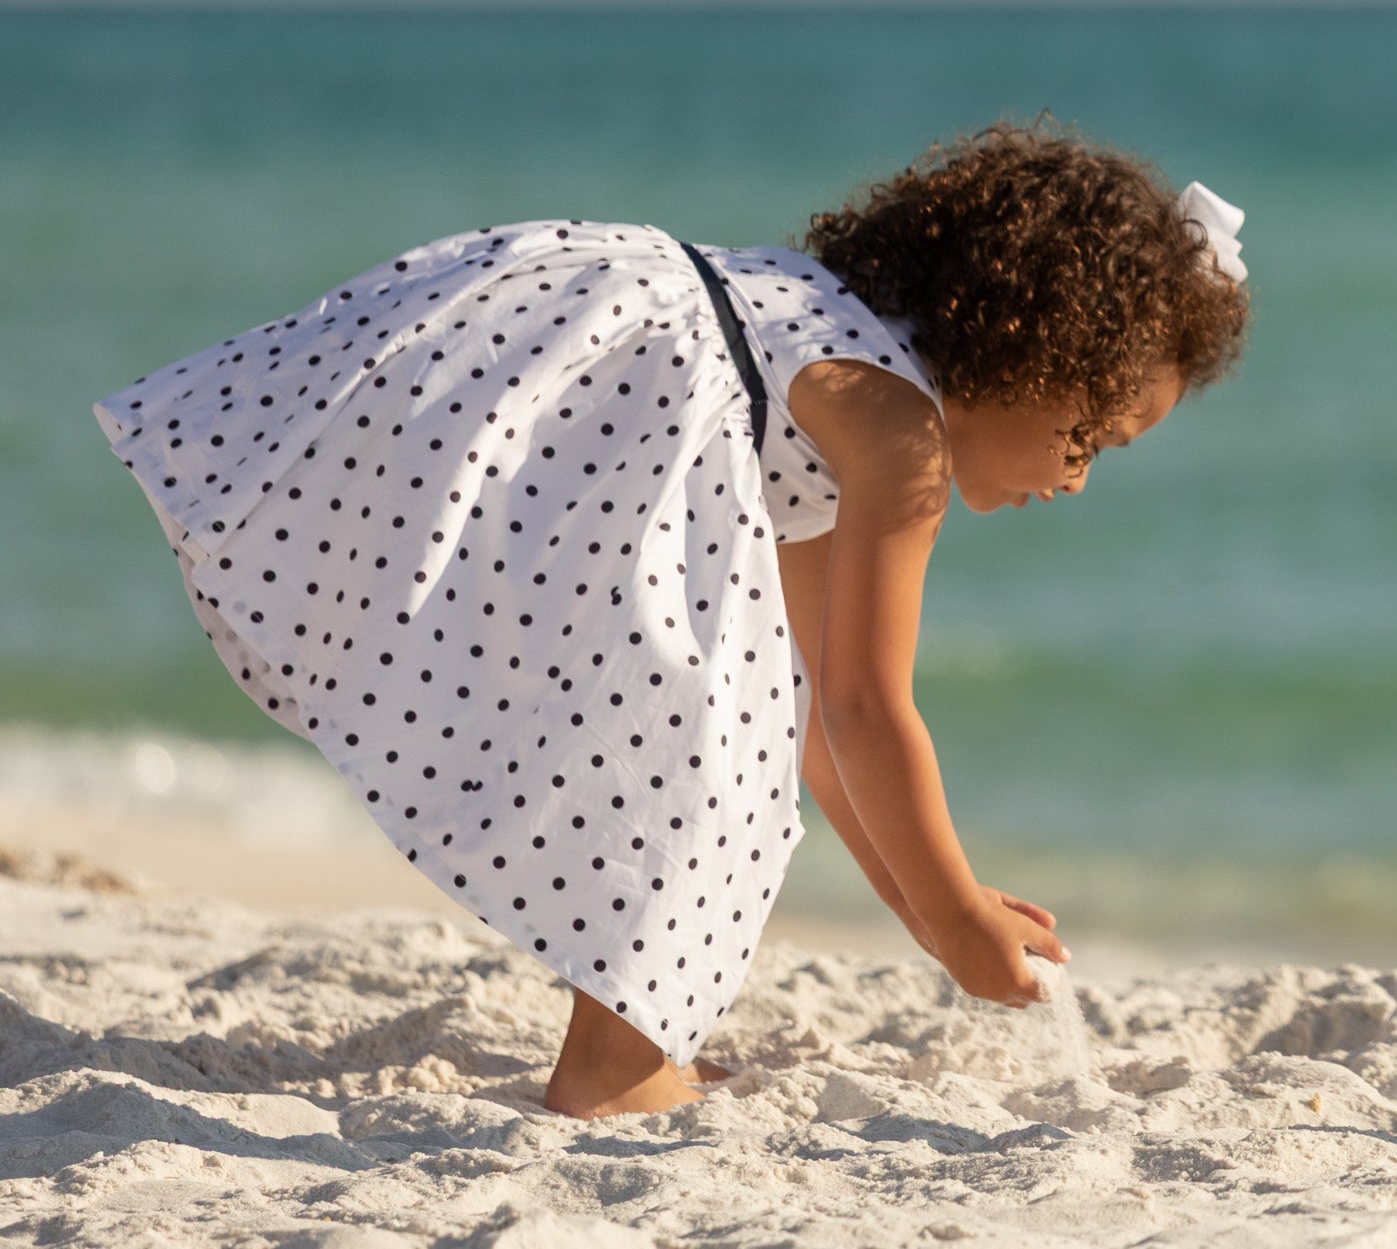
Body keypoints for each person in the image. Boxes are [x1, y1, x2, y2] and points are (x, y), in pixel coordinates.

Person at [95, 124, 1248, 1118]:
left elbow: (820, 720)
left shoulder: (846, 366)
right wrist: (951, 914)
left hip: (566, 362)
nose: (1076, 478)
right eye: (1087, 438)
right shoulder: (896, 432)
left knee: (731, 724)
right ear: (1033, 350)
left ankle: (633, 1041)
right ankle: (616, 1069)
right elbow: (868, 704)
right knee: (710, 757)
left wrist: (926, 901)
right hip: (606, 398)